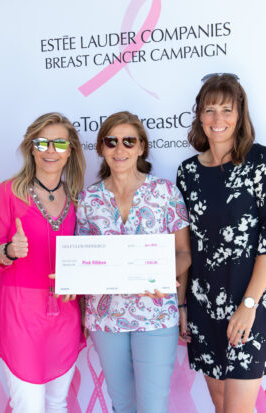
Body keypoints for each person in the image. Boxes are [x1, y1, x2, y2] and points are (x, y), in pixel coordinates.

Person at [176, 73, 266, 413]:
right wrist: (182, 307)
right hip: (203, 305)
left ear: (240, 115)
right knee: (221, 405)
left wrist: (248, 305)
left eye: (227, 110)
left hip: (249, 304)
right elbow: (185, 248)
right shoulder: (187, 173)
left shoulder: (262, 162)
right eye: (209, 110)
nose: (218, 119)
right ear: (199, 116)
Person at [75, 111, 192, 413]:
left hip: (155, 313)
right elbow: (82, 260)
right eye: (111, 141)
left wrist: (159, 276)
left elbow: (183, 253)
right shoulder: (88, 200)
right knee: (123, 405)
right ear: (101, 148)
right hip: (105, 318)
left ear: (141, 147)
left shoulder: (165, 193)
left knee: (153, 406)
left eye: (129, 141)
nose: (120, 149)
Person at [0, 112, 86, 413]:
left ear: (70, 150)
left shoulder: (78, 197)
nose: (50, 151)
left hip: (66, 314)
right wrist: (9, 250)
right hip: (21, 313)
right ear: (31, 148)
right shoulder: (9, 192)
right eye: (42, 143)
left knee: (57, 404)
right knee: (27, 406)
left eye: (59, 143)